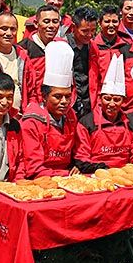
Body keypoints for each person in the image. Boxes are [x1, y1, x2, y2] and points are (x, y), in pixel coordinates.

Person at [21, 41, 78, 178]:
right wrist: (64, 175)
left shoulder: (71, 116)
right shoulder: (32, 122)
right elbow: (34, 168)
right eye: (58, 97)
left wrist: (78, 165)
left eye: (68, 97)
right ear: (44, 97)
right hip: (39, 179)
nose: (64, 102)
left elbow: (77, 151)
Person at [75, 55, 132, 170]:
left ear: (123, 101)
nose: (111, 104)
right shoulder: (86, 123)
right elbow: (82, 156)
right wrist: (102, 168)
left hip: (126, 172)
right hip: (97, 172)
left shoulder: (130, 122)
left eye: (116, 100)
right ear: (100, 98)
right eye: (107, 98)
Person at [19, 5, 63, 107]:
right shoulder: (22, 50)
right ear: (36, 23)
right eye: (46, 21)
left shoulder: (61, 48)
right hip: (30, 107)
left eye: (55, 21)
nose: (51, 25)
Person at [67, 6, 101, 118]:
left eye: (93, 30)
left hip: (88, 104)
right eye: (85, 31)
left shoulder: (93, 47)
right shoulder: (63, 46)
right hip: (69, 104)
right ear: (73, 27)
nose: (90, 35)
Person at [93, 5, 129, 89]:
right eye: (107, 21)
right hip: (99, 92)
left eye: (114, 21)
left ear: (119, 23)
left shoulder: (125, 47)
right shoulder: (92, 46)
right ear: (99, 23)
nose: (111, 25)